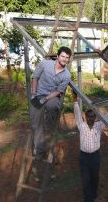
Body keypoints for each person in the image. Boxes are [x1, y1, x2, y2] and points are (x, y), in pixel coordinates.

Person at [30, 46, 72, 180]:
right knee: (35, 125)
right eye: (63, 56)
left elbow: (59, 91)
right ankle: (40, 148)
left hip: (51, 96)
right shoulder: (45, 64)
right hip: (38, 94)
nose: (65, 59)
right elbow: (35, 78)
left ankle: (49, 126)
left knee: (54, 105)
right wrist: (34, 95)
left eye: (67, 57)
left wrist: (45, 98)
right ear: (58, 56)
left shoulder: (66, 75)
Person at [73, 93, 108, 202]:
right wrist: (75, 101)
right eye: (89, 117)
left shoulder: (99, 125)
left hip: (95, 156)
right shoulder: (81, 126)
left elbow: (107, 116)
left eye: (93, 117)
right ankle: (88, 199)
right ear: (86, 117)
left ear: (95, 117)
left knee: (94, 177)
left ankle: (93, 196)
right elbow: (77, 115)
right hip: (84, 157)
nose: (91, 118)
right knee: (85, 179)